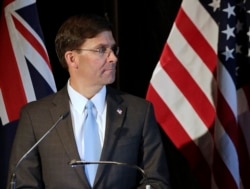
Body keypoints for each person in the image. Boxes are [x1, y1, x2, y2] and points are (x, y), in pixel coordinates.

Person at [7, 13, 171, 189]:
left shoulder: (139, 112)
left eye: (113, 49)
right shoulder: (36, 117)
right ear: (72, 59)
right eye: (101, 50)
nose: (113, 58)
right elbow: (22, 184)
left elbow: (156, 181)